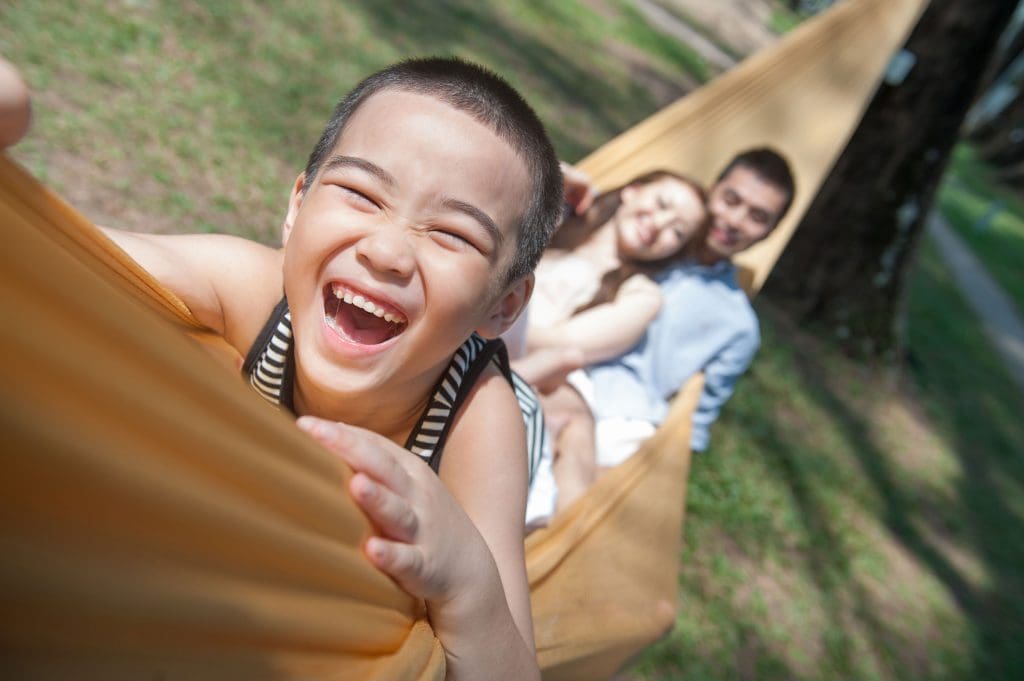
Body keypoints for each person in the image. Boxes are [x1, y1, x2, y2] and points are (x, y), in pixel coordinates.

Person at [10, 56, 562, 681]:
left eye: (454, 235)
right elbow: (59, 258)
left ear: (505, 303)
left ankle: (561, 384)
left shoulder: (478, 424)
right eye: (360, 193)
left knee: (538, 505)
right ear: (297, 206)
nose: (386, 252)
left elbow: (512, 668)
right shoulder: (252, 287)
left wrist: (468, 581)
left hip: (503, 407)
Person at [548, 148, 795, 510]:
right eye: (730, 200)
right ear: (712, 190)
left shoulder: (737, 325)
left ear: (770, 233)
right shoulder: (646, 235)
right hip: (558, 361)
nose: (734, 220)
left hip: (622, 423)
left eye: (757, 217)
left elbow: (692, 426)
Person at [506, 169, 708, 389]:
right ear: (632, 191)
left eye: (677, 232)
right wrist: (555, 174)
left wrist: (486, 318)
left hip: (507, 363)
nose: (659, 224)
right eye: (662, 204)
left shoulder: (641, 296)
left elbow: (563, 344)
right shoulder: (561, 216)